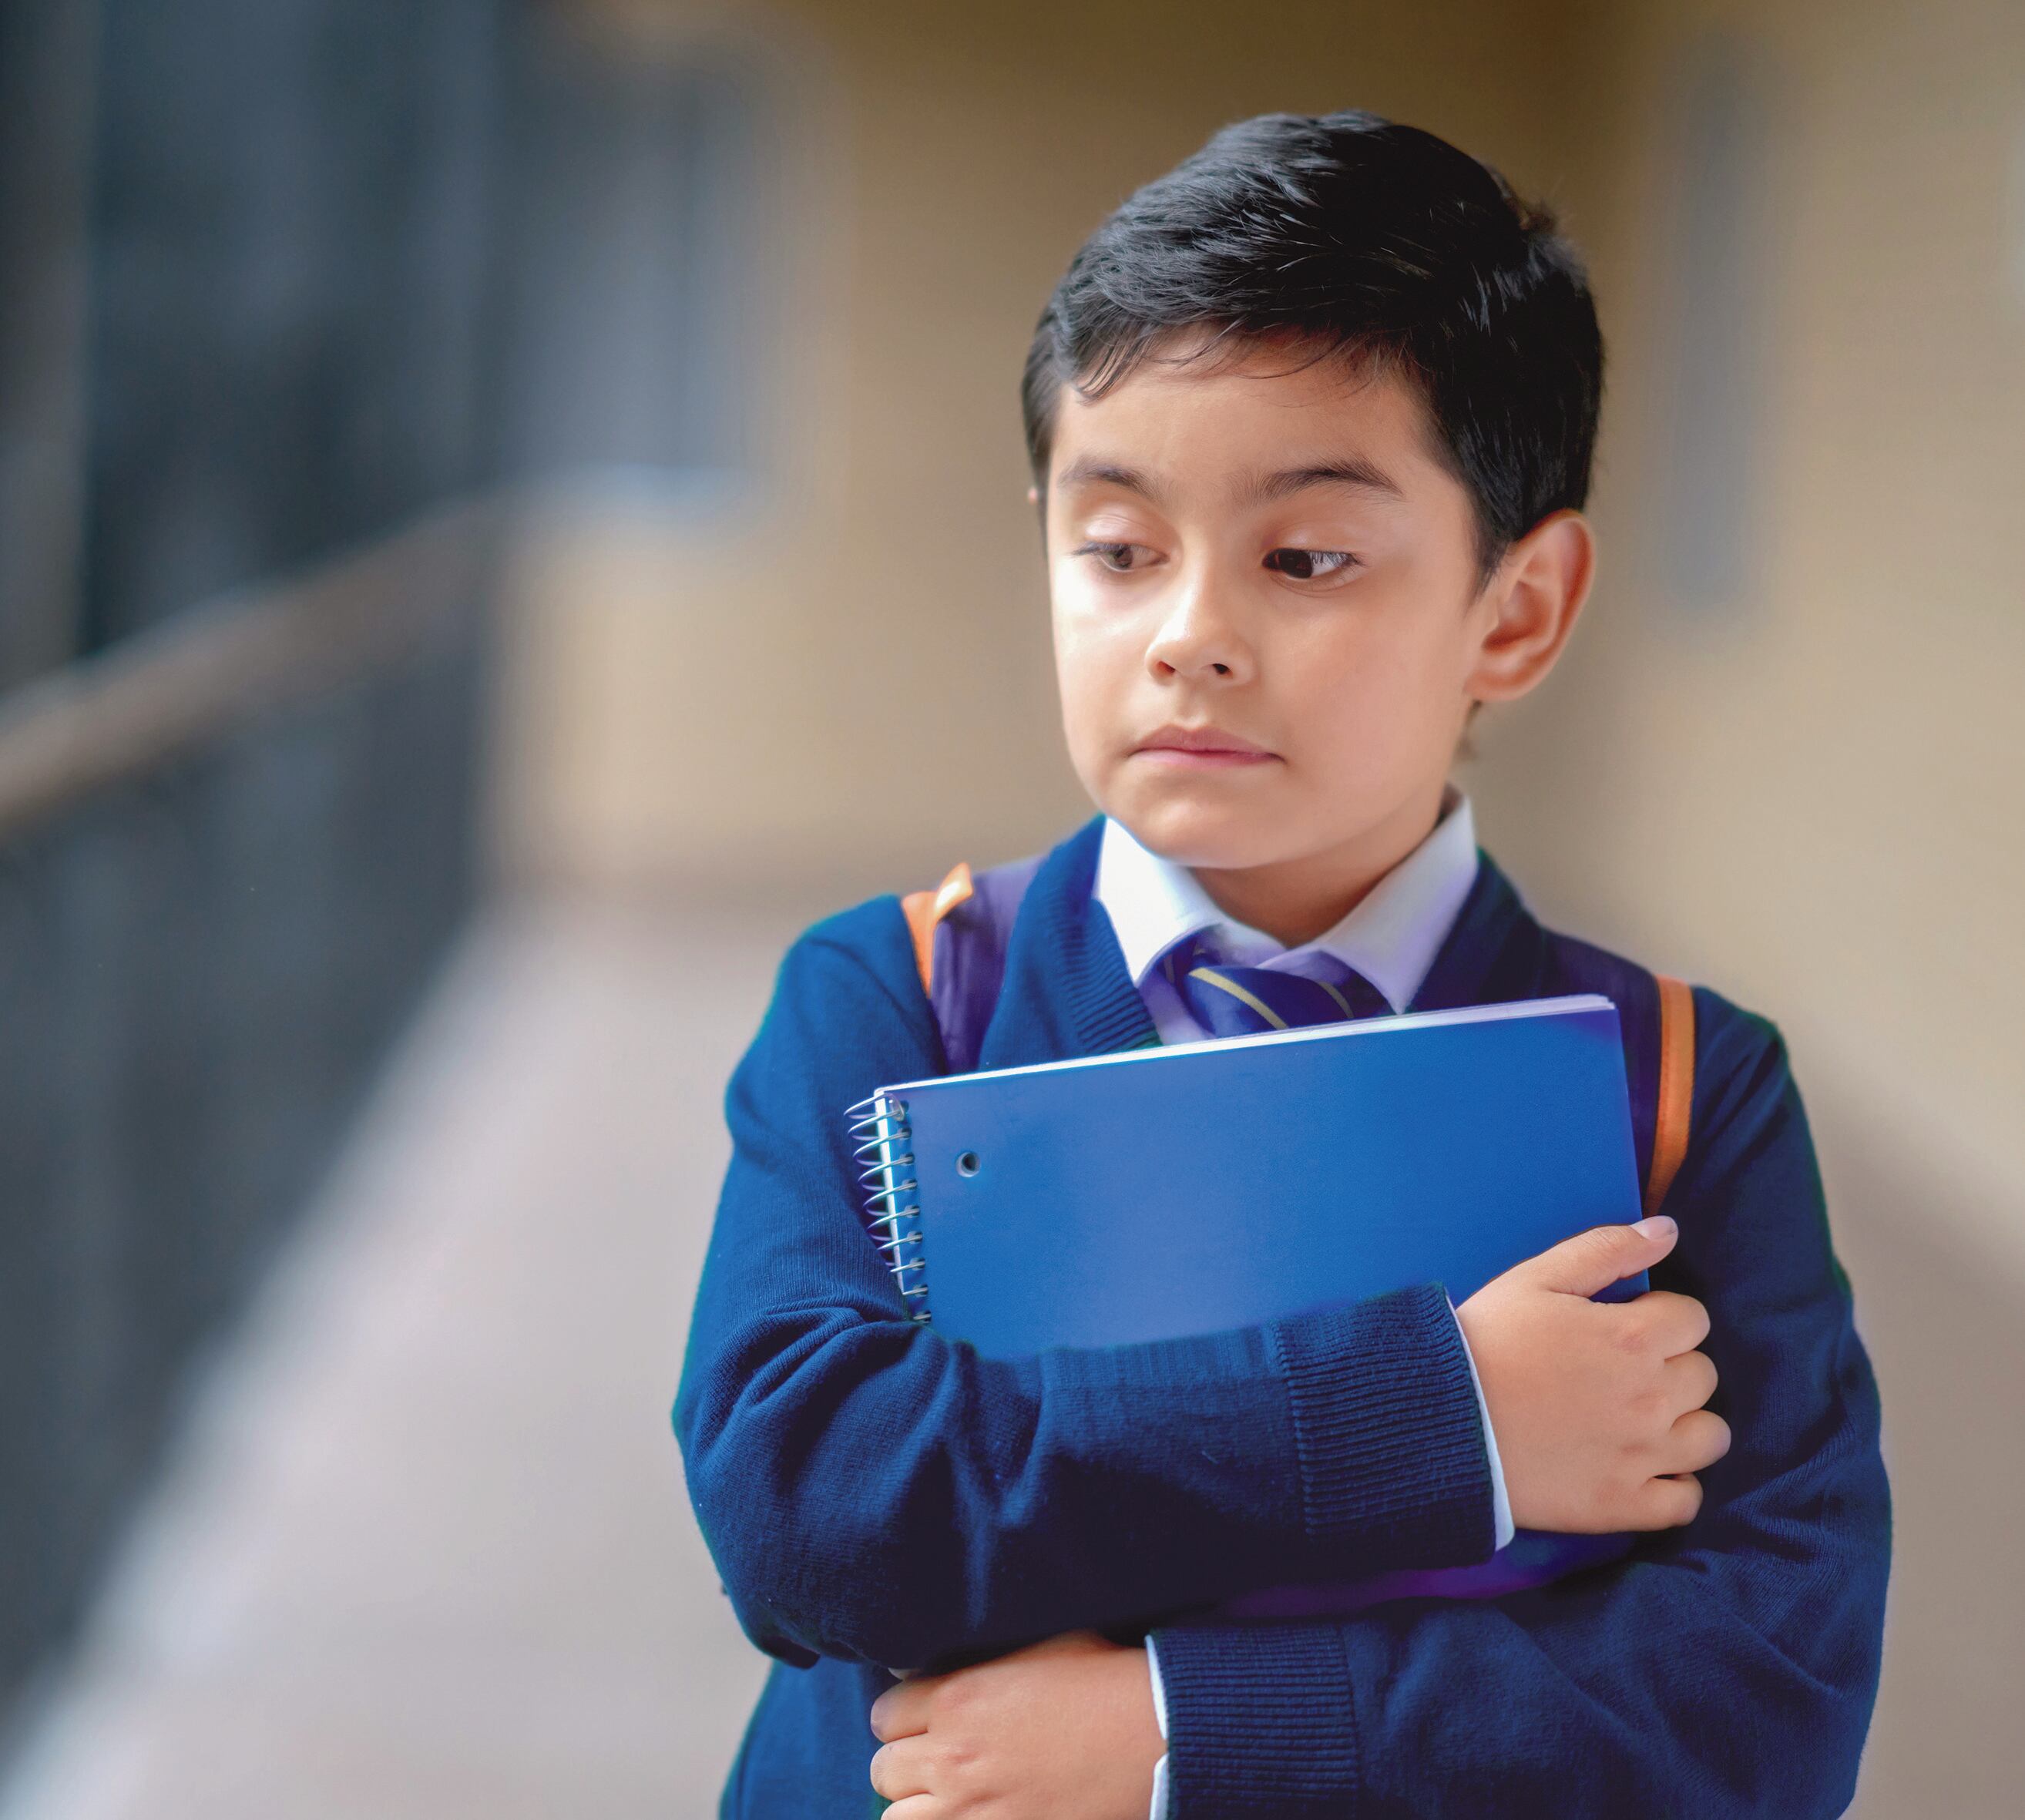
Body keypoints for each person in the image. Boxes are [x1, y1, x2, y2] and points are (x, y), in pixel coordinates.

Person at [672, 109, 1889, 1819]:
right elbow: (811, 1509)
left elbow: (1765, 1695)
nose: (1190, 634)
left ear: (1517, 609)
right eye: (1118, 549)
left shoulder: (1681, 1086)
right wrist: (1448, 1414)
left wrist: (1192, 1729)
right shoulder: (901, 993)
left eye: (1305, 557)